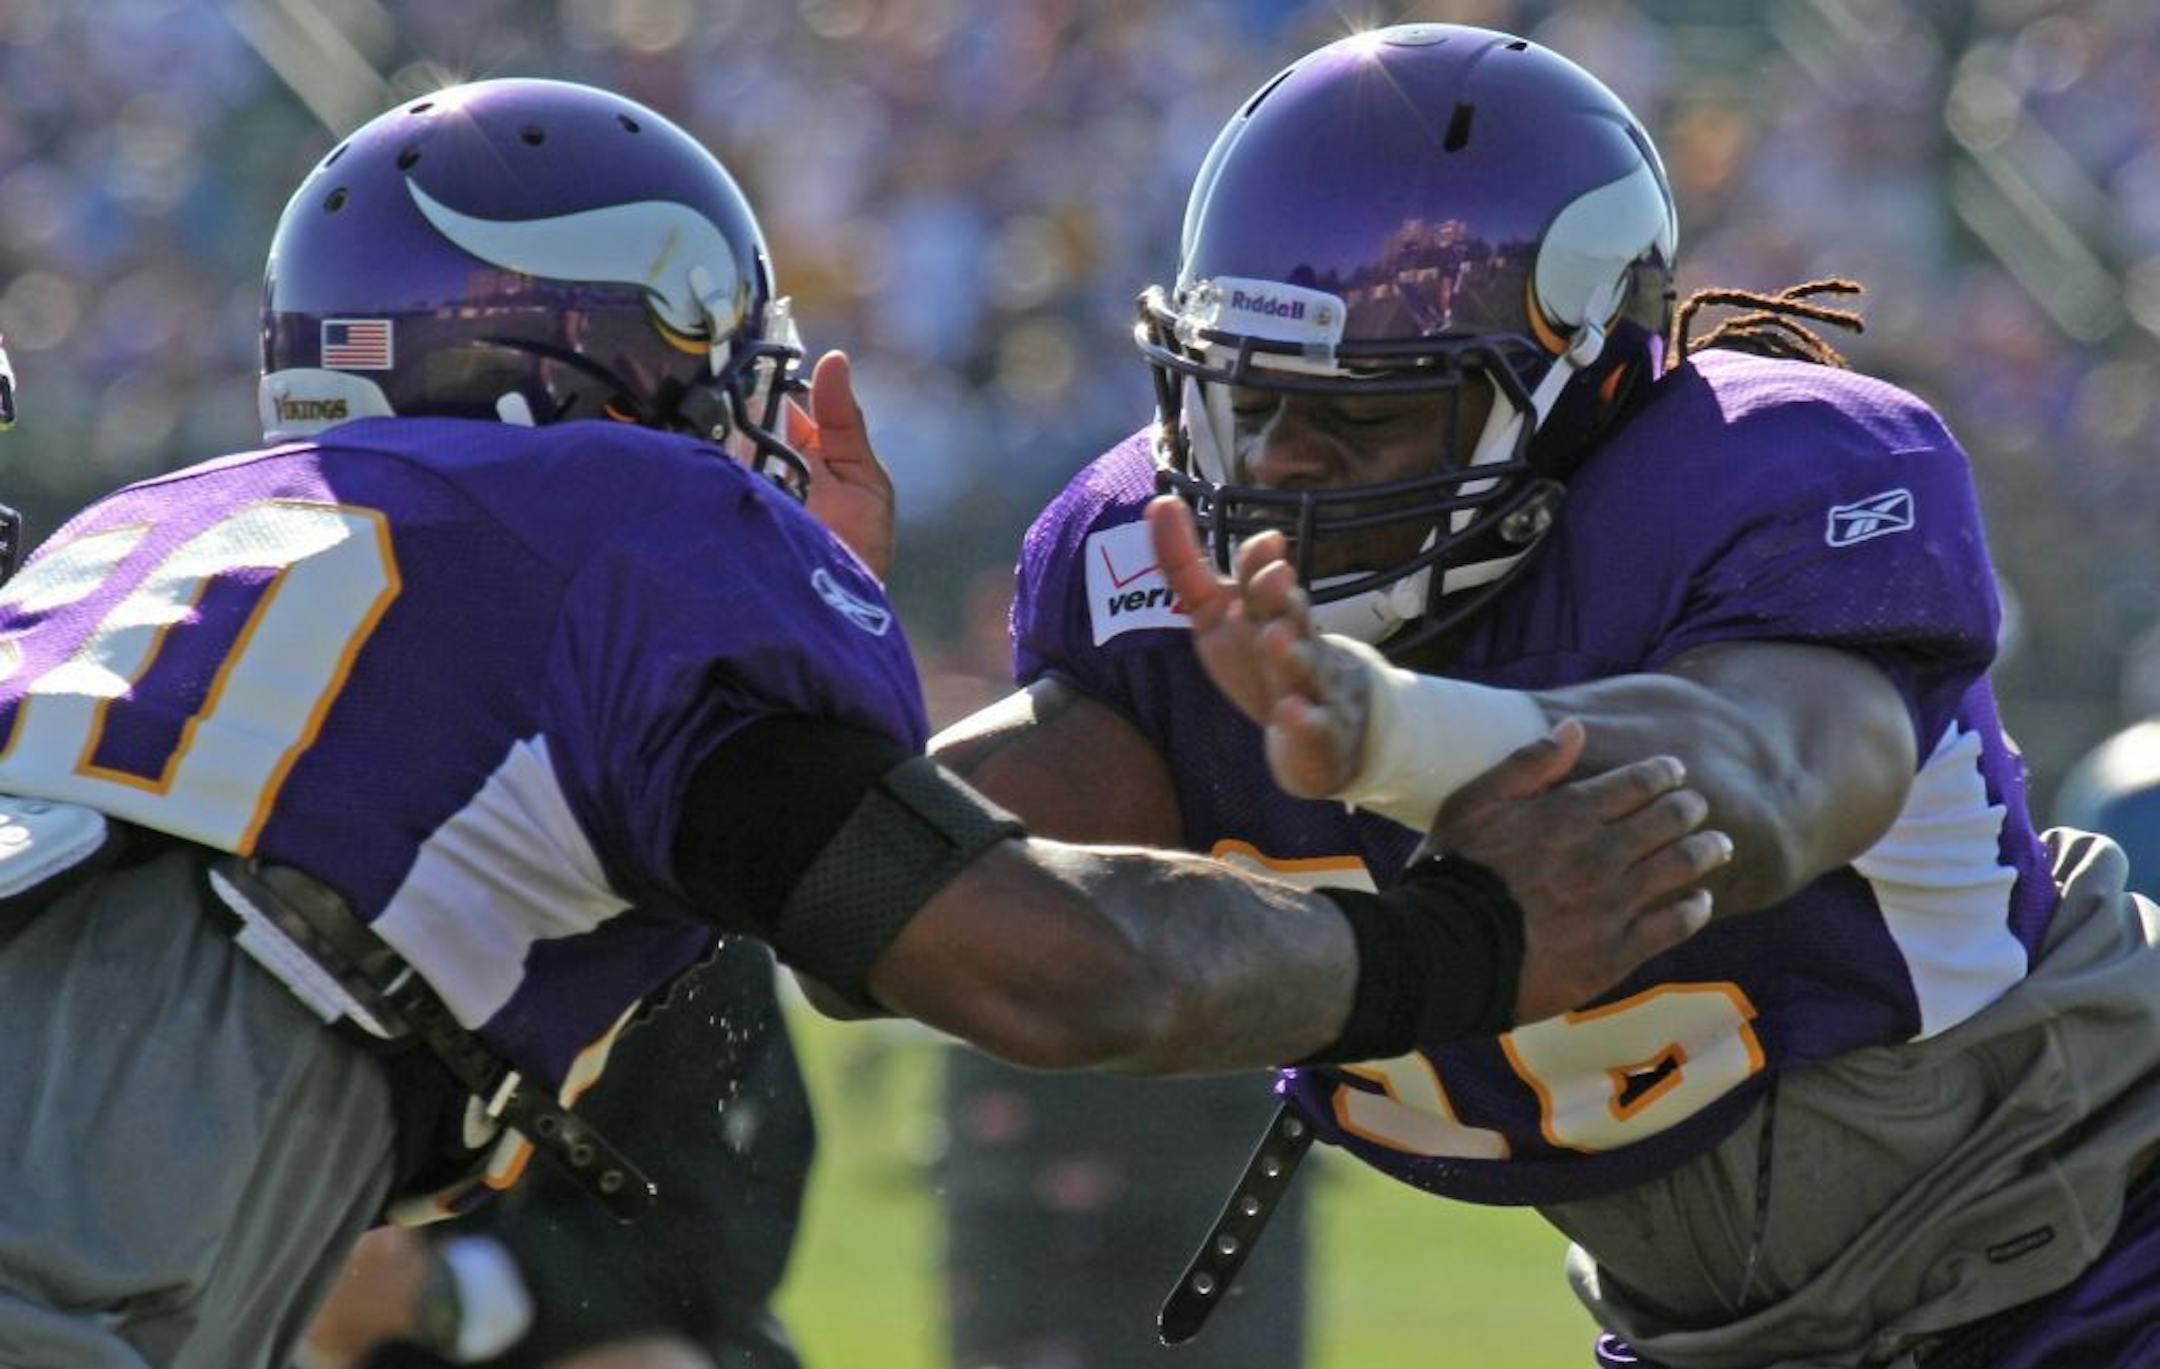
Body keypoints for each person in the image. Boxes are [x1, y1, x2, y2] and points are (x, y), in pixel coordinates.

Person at [0, 76, 1728, 1368]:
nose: (763, 426)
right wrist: (1465, 941)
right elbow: (1049, 965)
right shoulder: (620, 542)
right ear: (602, 380)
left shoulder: (133, 541)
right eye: (727, 371)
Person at [932, 23, 2160, 1369]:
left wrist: (1389, 729)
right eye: (1247, 402)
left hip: (2099, 1235)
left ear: (1581, 382)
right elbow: (926, 876)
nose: (1277, 471)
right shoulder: (1148, 560)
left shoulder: (1770, 477)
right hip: (1718, 1337)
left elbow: (1746, 785)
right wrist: (797, 711)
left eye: (1360, 416)